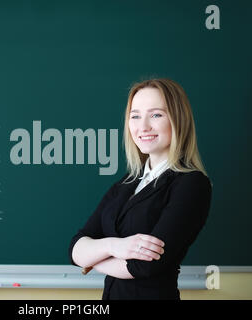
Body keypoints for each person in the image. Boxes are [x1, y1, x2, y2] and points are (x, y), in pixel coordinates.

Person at [68, 78, 212, 300]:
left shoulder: (192, 184)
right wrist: (116, 246)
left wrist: (95, 259)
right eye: (135, 116)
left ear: (178, 120)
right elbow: (76, 247)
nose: (143, 126)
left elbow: (142, 267)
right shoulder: (127, 183)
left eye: (156, 115)